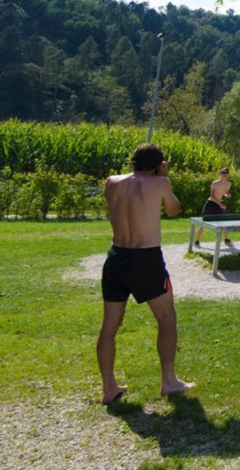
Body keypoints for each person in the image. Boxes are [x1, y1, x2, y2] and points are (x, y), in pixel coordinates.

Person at [97, 143, 195, 404]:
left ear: (133, 161)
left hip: (116, 257)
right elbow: (174, 210)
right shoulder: (160, 183)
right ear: (159, 164)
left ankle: (109, 387)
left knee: (109, 327)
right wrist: (163, 179)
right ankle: (169, 380)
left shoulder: (112, 182)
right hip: (146, 258)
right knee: (166, 318)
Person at [193, 168, 233, 248]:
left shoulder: (228, 184)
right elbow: (212, 196)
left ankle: (226, 239)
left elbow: (224, 192)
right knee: (203, 223)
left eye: (226, 172)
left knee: (224, 223)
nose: (225, 174)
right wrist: (220, 204)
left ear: (228, 174)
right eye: (223, 172)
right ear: (220, 174)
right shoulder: (215, 183)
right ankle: (197, 241)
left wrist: (227, 194)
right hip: (210, 204)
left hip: (219, 204)